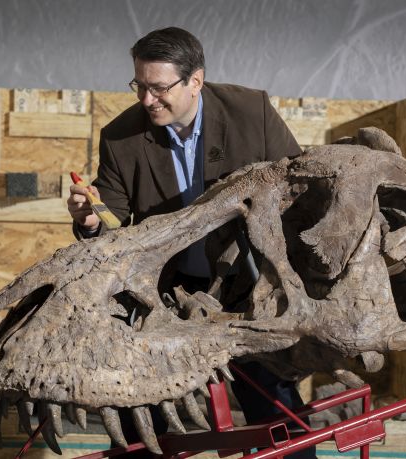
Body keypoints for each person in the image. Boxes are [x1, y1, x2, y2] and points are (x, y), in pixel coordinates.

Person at [67, 27, 314, 459]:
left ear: (195, 81)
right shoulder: (120, 136)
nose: (146, 100)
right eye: (139, 86)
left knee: (277, 411)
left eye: (159, 88)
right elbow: (112, 226)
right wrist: (89, 221)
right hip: (167, 296)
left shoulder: (250, 110)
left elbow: (298, 190)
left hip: (247, 287)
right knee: (141, 417)